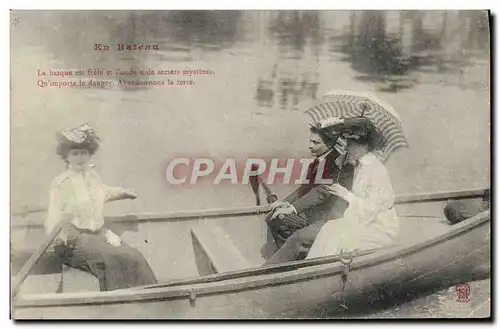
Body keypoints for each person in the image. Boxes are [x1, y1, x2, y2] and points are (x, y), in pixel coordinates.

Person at [45, 123, 157, 291]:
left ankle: (149, 299)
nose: (80, 158)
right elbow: (53, 216)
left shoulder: (91, 177)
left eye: (84, 153)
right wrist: (57, 237)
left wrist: (124, 192)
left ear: (89, 155)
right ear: (66, 156)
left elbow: (103, 192)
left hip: (97, 236)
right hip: (73, 243)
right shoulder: (61, 184)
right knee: (113, 259)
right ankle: (117, 305)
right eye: (75, 153)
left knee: (134, 256)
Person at [263, 118, 355, 264]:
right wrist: (284, 203)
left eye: (315, 143)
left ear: (330, 144)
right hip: (311, 212)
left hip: (326, 217)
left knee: (296, 234)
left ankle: (279, 264)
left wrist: (293, 208)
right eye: (310, 141)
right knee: (272, 218)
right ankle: (291, 258)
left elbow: (321, 192)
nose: (310, 146)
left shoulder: (339, 164)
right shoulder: (318, 160)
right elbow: (304, 188)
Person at [306, 117, 399, 259]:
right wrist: (339, 164)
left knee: (340, 237)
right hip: (363, 222)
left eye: (350, 143)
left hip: (380, 228)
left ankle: (322, 270)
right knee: (328, 228)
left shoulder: (376, 170)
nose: (346, 147)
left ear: (363, 146)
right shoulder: (359, 165)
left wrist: (346, 195)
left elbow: (371, 209)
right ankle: (312, 267)